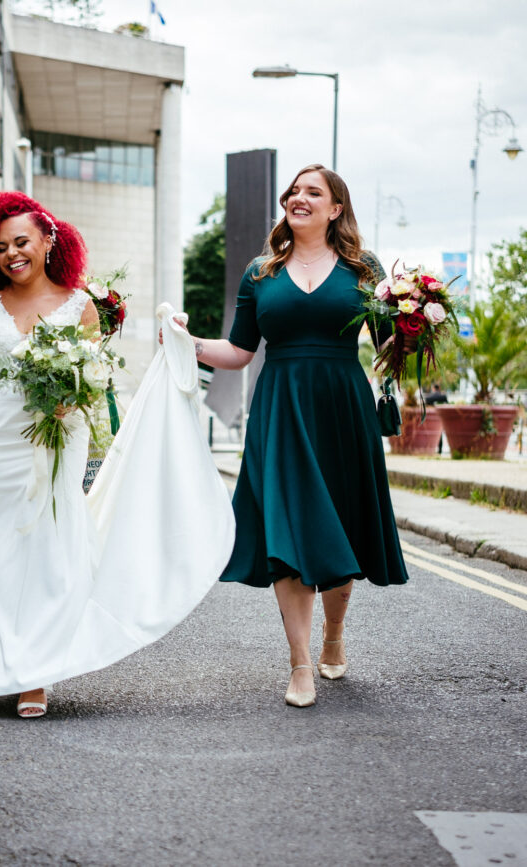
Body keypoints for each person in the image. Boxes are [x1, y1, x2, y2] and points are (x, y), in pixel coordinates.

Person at [0, 191, 234, 718]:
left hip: (58, 434)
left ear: (48, 240)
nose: (11, 254)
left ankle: (35, 674)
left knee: (49, 543)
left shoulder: (81, 305)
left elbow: (94, 378)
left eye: (21, 242)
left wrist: (72, 397)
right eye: (0, 246)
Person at [179, 164, 410, 708]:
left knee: (340, 529)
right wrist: (185, 343)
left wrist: (416, 315)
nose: (298, 198)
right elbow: (238, 353)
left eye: (314, 192)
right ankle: (299, 663)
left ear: (335, 210)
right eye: (293, 191)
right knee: (288, 531)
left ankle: (334, 636)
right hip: (280, 409)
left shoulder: (363, 268)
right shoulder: (260, 274)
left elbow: (388, 345)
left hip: (343, 409)